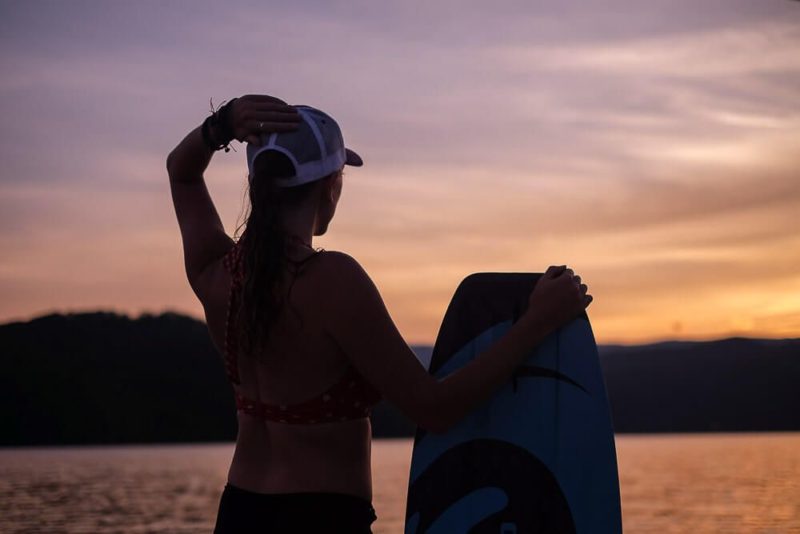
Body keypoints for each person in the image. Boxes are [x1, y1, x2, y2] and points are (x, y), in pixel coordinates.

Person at [166, 94, 592, 533]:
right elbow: (434, 409)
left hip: (239, 513)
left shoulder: (216, 275)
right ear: (331, 186)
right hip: (321, 520)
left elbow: (181, 175)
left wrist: (219, 126)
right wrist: (540, 320)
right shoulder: (332, 280)